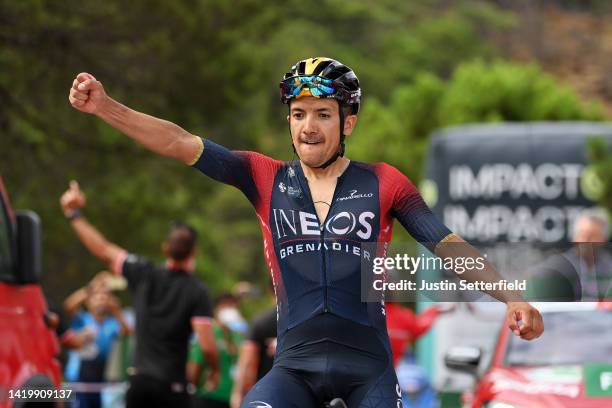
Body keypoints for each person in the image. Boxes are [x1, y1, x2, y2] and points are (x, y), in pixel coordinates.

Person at [68, 57, 543, 407]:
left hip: (368, 371)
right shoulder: (263, 176)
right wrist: (107, 107)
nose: (308, 126)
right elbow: (178, 142)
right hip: (293, 368)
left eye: (322, 113)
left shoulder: (384, 182)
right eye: (298, 114)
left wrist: (511, 298)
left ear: (347, 121)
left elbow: (445, 243)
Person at [60, 182, 219, 408]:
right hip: (171, 385)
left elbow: (104, 250)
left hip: (139, 382)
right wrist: (214, 370)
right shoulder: (197, 290)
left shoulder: (143, 272)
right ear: (194, 252)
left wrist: (73, 213)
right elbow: (207, 346)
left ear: (165, 248)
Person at [62, 275, 130, 408]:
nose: (101, 300)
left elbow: (127, 332)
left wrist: (117, 311)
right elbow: (68, 305)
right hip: (77, 380)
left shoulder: (111, 324)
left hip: (99, 380)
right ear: (88, 301)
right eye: (97, 297)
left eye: (104, 297)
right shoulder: (82, 319)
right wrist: (91, 288)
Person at [188, 293, 244, 408]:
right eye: (226, 306)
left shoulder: (239, 336)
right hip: (209, 396)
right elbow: (195, 363)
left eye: (233, 306)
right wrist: (191, 388)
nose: (230, 310)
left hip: (232, 399)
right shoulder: (209, 334)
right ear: (217, 308)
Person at [230, 305, 277, 408]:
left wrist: (238, 393)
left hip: (264, 395)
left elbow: (248, 362)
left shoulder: (262, 320)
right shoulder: (309, 319)